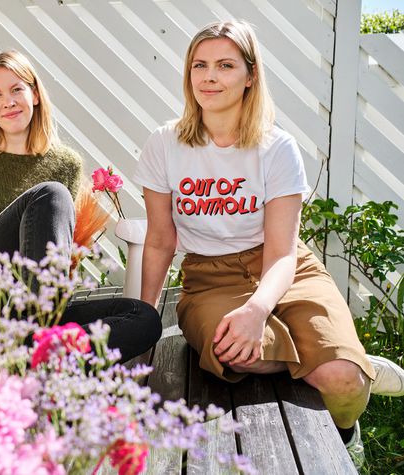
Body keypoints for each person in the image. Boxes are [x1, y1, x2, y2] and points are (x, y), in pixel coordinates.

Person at [134, 20, 404, 465]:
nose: (209, 77)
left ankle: (347, 418)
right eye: (199, 65)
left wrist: (259, 309)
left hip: (285, 269)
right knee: (235, 353)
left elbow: (281, 252)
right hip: (209, 275)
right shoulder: (164, 144)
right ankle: (329, 354)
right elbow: (161, 241)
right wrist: (143, 324)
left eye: (225, 65)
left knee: (343, 382)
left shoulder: (278, 148)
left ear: (250, 75)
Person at [0, 50, 162, 363]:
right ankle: (47, 348)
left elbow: (59, 247)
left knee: (143, 317)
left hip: (27, 313)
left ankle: (41, 357)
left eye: (16, 90)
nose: (8, 101)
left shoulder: (65, 164)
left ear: (35, 94)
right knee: (50, 195)